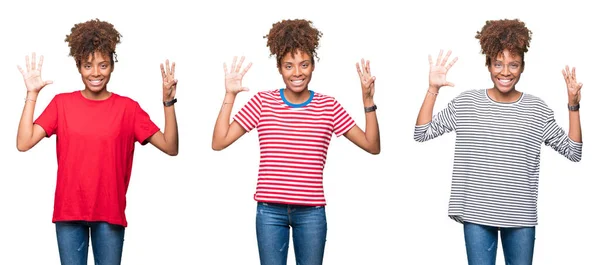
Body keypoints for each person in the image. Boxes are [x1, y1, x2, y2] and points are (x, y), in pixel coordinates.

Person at [413, 18, 583, 265]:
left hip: (520, 215)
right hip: (477, 212)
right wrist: (433, 89)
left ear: (522, 66)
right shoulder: (467, 103)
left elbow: (573, 151)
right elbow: (422, 132)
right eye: (498, 64)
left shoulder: (537, 110)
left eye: (513, 64)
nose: (505, 72)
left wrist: (573, 105)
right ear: (488, 65)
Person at [212, 19, 380, 265]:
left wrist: (367, 100)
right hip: (270, 211)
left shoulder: (328, 106)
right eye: (289, 66)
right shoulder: (263, 102)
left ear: (313, 66)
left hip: (311, 213)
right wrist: (229, 95)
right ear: (279, 68)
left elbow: (371, 145)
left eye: (304, 64)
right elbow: (219, 141)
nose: (297, 73)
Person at [16, 18, 179, 265]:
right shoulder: (62, 104)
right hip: (69, 211)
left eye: (103, 65)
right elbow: (24, 142)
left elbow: (170, 146)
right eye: (87, 66)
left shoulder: (128, 109)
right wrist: (32, 94)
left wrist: (168, 103)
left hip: (109, 212)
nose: (95, 73)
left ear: (112, 66)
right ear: (78, 67)